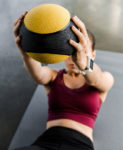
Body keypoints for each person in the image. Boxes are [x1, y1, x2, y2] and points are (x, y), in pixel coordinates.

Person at [13, 11, 114, 150]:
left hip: (80, 145)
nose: (73, 58)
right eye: (69, 52)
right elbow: (38, 75)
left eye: (79, 51)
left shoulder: (103, 79)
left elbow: (96, 79)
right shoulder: (54, 77)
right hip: (47, 141)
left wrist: (84, 63)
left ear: (93, 55)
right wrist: (27, 54)